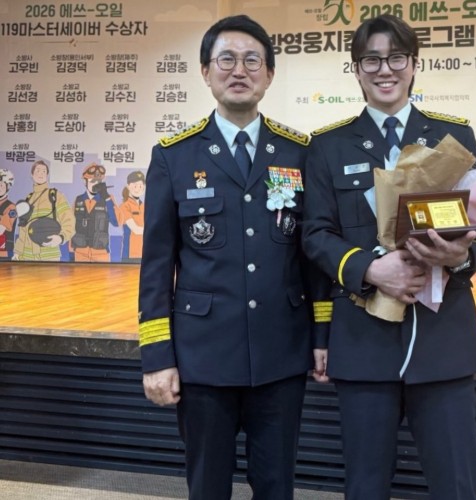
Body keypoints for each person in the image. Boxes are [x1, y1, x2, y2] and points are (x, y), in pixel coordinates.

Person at [302, 14, 476, 500]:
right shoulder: (327, 146)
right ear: (356, 68)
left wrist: (460, 255)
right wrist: (369, 269)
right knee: (365, 486)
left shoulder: (454, 137)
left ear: (414, 65)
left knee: (456, 486)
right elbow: (316, 235)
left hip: (443, 340)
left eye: (396, 58)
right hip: (363, 341)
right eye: (371, 60)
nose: (384, 69)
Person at [138, 15, 313, 500]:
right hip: (203, 357)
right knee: (207, 487)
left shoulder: (298, 153)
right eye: (227, 59)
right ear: (205, 71)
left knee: (277, 486)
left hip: (280, 353)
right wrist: (157, 357)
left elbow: (311, 256)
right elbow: (156, 266)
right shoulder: (174, 156)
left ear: (269, 74)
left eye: (252, 60)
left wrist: (321, 338)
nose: (240, 70)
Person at [13, 160, 75, 261]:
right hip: (26, 256)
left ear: (47, 175)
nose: (40, 174)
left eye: (44, 171)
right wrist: (17, 252)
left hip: (49, 255)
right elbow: (23, 228)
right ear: (32, 174)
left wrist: (61, 237)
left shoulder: (55, 195)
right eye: (37, 171)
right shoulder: (28, 199)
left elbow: (69, 220)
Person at [71, 163, 119, 262]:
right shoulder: (78, 199)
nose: (95, 184)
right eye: (92, 181)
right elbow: (71, 225)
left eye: (98, 181)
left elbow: (116, 222)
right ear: (85, 182)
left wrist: (107, 198)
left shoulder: (108, 199)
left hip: (101, 253)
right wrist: (71, 251)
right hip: (80, 252)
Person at [117, 170, 145, 262]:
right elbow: (135, 229)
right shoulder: (124, 206)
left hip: (145, 253)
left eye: (140, 186)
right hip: (130, 254)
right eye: (135, 186)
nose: (138, 189)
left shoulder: (144, 206)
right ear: (128, 186)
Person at [0, 169, 17, 261]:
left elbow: (1, 229)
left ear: (7, 187)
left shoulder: (11, 208)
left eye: (1, 185)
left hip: (4, 254)